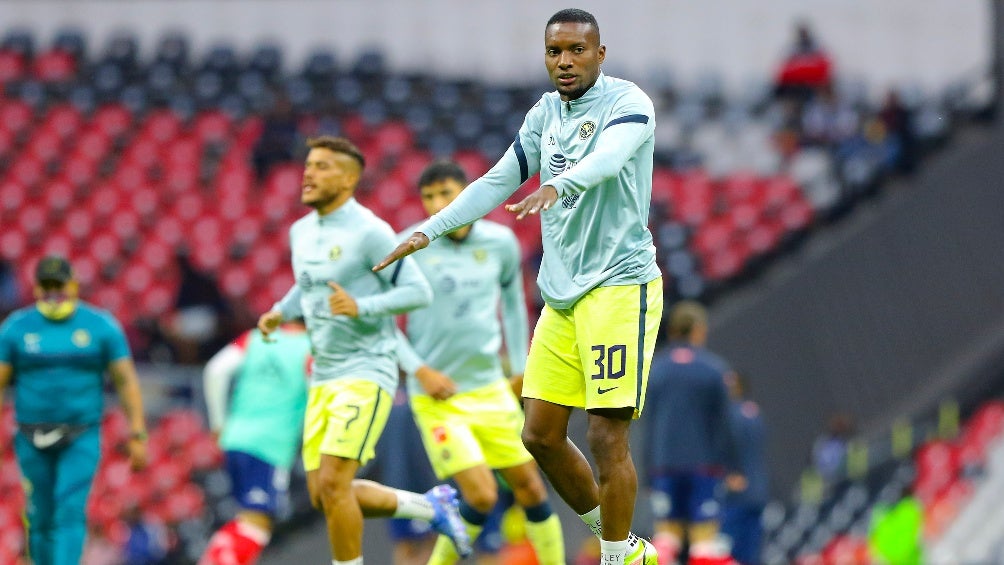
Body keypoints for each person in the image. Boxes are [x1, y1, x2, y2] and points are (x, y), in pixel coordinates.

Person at [374, 9, 662, 564]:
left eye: (577, 50)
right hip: (562, 295)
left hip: (619, 286)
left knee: (606, 436)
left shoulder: (629, 103)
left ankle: (612, 556)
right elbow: (497, 180)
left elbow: (608, 160)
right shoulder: (544, 114)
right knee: (539, 436)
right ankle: (624, 545)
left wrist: (559, 185)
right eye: (555, 51)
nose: (565, 61)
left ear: (600, 54)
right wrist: (430, 230)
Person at [256, 136, 472, 564]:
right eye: (308, 165)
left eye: (322, 167)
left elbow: (418, 291)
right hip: (324, 376)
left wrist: (361, 306)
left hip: (366, 371)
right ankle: (430, 507)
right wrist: (281, 311)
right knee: (323, 495)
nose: (308, 173)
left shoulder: (370, 232)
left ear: (348, 179)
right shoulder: (301, 231)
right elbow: (309, 284)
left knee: (335, 484)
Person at [394, 160, 565, 564]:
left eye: (446, 193)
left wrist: (521, 365)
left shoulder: (500, 243)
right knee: (482, 494)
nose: (437, 204)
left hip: (490, 387)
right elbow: (378, 320)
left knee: (531, 488)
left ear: (467, 193)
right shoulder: (410, 246)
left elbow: (513, 304)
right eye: (429, 197)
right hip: (439, 397)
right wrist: (420, 370)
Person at [0, 255, 148, 564]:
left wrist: (137, 433)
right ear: (36, 288)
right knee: (40, 513)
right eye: (47, 286)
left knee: (69, 508)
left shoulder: (100, 326)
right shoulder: (16, 328)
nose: (54, 293)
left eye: (60, 285)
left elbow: (125, 381)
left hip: (80, 435)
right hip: (31, 436)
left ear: (73, 285)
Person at [198, 321, 312, 565]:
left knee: (246, 518)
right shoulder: (312, 349)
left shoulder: (256, 338)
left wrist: (218, 424)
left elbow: (215, 370)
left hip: (235, 438)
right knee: (257, 523)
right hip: (270, 446)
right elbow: (317, 395)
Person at [642, 301, 740, 565]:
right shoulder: (714, 369)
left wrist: (648, 472)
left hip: (664, 465)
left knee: (666, 537)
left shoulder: (656, 370)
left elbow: (650, 423)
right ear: (698, 330)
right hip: (704, 465)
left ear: (672, 330)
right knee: (704, 540)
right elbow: (725, 423)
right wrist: (733, 466)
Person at [720, 373, 768, 565]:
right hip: (757, 491)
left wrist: (730, 475)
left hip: (736, 494)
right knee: (752, 551)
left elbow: (729, 448)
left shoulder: (730, 415)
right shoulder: (754, 412)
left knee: (730, 552)